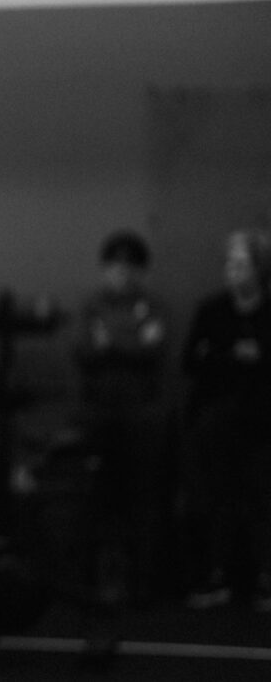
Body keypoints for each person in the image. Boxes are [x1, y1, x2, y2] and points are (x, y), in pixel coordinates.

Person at [73, 230, 168, 605]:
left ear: (140, 272)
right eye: (114, 266)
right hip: (97, 416)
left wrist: (111, 342)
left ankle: (144, 584)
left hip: (141, 418)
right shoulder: (91, 305)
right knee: (95, 500)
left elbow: (154, 349)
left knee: (142, 499)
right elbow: (84, 350)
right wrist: (132, 341)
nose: (122, 274)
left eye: (130, 267)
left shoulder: (154, 305)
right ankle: (91, 582)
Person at [182, 228, 271, 611]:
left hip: (264, 422)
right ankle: (217, 576)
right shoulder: (212, 310)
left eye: (240, 264)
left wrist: (233, 359)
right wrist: (234, 357)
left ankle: (264, 579)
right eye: (228, 264)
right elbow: (191, 361)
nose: (231, 272)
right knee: (217, 498)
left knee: (261, 498)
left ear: (259, 269)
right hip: (217, 421)